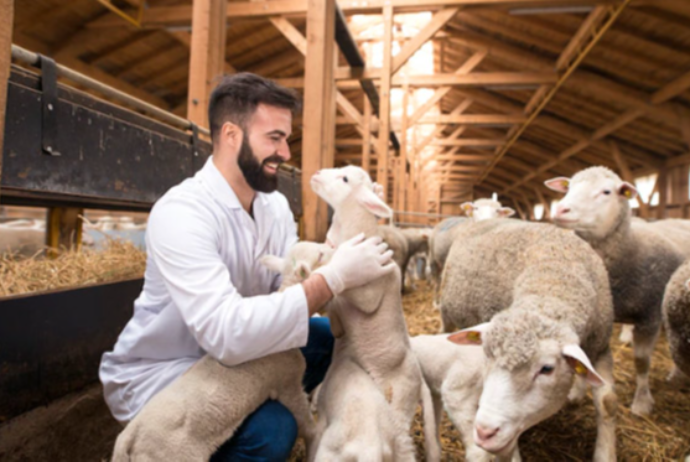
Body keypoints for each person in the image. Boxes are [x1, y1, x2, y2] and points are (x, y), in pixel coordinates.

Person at [99, 73, 395, 461]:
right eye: (274, 138)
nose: (287, 153)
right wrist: (333, 277)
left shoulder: (272, 206)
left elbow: (290, 287)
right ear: (231, 135)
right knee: (274, 432)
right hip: (169, 371)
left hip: (242, 358)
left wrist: (340, 238)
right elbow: (225, 333)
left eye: (286, 138)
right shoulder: (182, 213)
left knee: (329, 338)